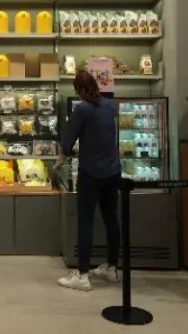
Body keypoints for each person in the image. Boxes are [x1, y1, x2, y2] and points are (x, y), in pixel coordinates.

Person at [57, 70, 121, 291]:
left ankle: (82, 275)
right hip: (113, 171)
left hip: (90, 172)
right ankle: (111, 268)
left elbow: (69, 137)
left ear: (78, 90)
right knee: (111, 220)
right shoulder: (110, 106)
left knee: (85, 222)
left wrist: (62, 156)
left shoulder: (82, 109)